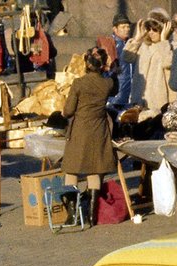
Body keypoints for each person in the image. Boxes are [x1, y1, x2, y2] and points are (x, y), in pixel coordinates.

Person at [62, 47, 117, 226]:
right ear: (102, 65)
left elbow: (68, 111)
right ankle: (93, 215)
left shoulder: (79, 83)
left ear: (86, 63)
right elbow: (114, 83)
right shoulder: (107, 84)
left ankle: (73, 215)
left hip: (80, 129)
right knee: (95, 168)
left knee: (72, 170)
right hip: (99, 128)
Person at [122, 8, 175, 116]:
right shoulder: (144, 45)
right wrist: (137, 38)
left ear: (164, 29)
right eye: (148, 28)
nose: (151, 32)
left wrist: (164, 41)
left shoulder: (171, 45)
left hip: (161, 103)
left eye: (155, 29)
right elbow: (127, 57)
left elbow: (168, 62)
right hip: (140, 101)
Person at [98, 13, 134, 110]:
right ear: (115, 29)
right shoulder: (110, 45)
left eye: (128, 26)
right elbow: (106, 71)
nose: (127, 29)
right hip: (116, 96)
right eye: (123, 27)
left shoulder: (131, 43)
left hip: (131, 94)